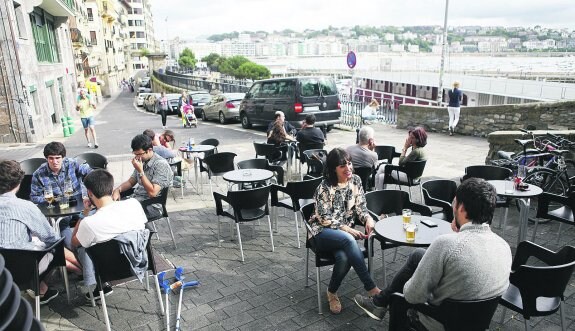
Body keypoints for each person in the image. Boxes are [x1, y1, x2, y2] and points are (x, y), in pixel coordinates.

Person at [354, 178, 512, 331]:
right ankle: (379, 302)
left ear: (462, 209)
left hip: (440, 322)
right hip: (476, 323)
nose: (452, 206)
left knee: (399, 297)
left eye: (454, 203)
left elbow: (412, 296)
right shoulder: (504, 247)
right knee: (418, 255)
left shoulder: (446, 245)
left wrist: (416, 282)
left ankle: (381, 303)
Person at [308, 148, 380, 314]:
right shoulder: (324, 187)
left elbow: (361, 208)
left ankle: (331, 292)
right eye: (342, 165)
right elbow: (324, 218)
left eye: (349, 163)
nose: (348, 168)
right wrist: (346, 228)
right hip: (320, 233)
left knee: (344, 257)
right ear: (333, 168)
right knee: (348, 240)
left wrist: (368, 219)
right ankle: (371, 288)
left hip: (342, 236)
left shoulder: (355, 181)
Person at [71, 169, 148, 300]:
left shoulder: (89, 222)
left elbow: (74, 241)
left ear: (89, 193)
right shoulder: (134, 204)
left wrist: (84, 213)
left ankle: (96, 282)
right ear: (111, 188)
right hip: (138, 261)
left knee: (82, 247)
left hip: (107, 271)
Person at [0, 160, 61, 304]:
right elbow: (51, 238)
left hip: (3, 267)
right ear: (19, 182)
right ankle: (41, 290)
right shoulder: (25, 207)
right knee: (54, 248)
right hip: (22, 272)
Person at [31, 142, 92, 249]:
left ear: (63, 157)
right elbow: (34, 197)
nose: (55, 161)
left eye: (58, 158)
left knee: (90, 222)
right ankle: (74, 250)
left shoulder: (72, 163)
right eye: (51, 158)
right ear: (46, 158)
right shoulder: (39, 173)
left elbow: (92, 174)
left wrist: (89, 191)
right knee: (67, 237)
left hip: (79, 204)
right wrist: (53, 200)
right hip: (59, 210)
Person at [112, 134, 173, 219]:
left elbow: (152, 193)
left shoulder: (161, 165)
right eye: (135, 154)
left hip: (152, 206)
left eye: (139, 154)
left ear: (149, 150)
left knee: (118, 215)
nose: (137, 157)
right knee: (110, 206)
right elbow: (130, 182)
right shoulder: (142, 161)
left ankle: (144, 231)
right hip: (136, 199)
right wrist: (117, 190)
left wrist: (141, 171)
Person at [374, 126, 427, 190]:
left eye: (412, 138)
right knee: (381, 176)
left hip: (409, 178)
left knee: (382, 167)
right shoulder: (421, 150)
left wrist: (405, 148)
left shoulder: (416, 151)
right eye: (409, 136)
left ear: (418, 139)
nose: (409, 139)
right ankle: (380, 193)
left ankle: (374, 191)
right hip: (415, 178)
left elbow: (401, 163)